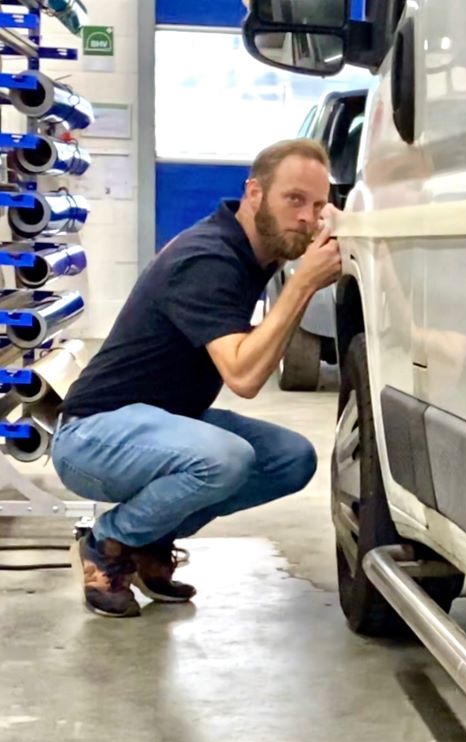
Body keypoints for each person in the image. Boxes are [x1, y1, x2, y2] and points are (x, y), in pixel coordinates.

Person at [51, 138, 342, 618]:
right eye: (293, 200)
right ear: (254, 193)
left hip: (161, 422)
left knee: (291, 459)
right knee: (225, 459)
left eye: (318, 205)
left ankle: (148, 540)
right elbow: (245, 375)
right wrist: (306, 282)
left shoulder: (254, 255)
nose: (308, 219)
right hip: (91, 435)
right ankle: (108, 542)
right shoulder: (208, 258)